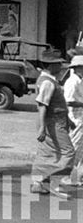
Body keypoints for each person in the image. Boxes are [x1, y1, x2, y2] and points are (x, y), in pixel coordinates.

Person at [31, 49, 75, 198]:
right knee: (68, 152)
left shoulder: (48, 80)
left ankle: (38, 182)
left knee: (48, 152)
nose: (61, 66)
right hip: (53, 122)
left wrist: (68, 120)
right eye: (58, 63)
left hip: (55, 120)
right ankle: (54, 182)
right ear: (50, 65)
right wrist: (42, 127)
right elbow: (43, 105)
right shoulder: (48, 83)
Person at [64, 55, 83, 187]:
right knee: (74, 147)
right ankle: (69, 176)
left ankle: (78, 176)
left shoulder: (80, 81)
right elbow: (69, 101)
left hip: (81, 117)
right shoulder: (72, 82)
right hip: (75, 118)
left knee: (80, 149)